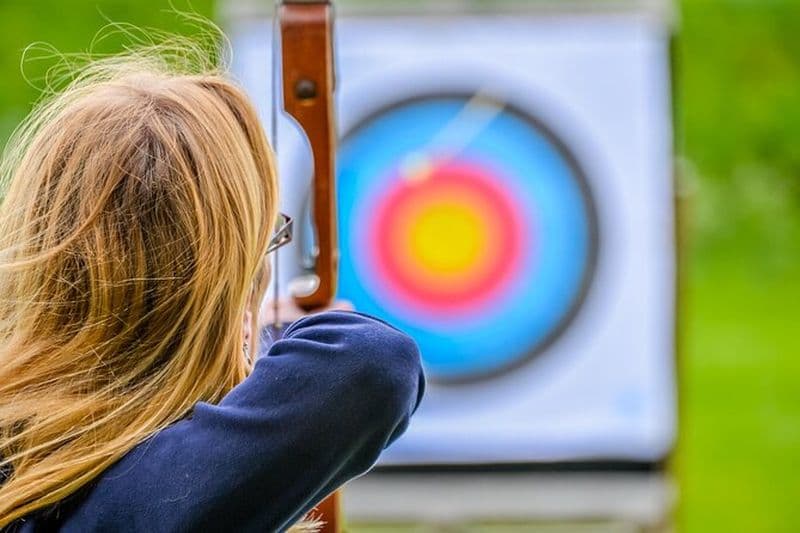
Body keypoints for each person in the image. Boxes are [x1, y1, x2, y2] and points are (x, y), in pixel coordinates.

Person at [0, 35, 425, 532]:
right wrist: (258, 338)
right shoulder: (151, 500)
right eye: (265, 243)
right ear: (219, 281)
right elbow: (372, 364)